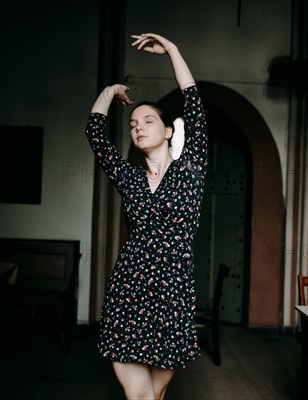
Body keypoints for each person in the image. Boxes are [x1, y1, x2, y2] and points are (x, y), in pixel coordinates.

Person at [86, 32, 207, 400]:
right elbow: (95, 133)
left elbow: (195, 104)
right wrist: (109, 94)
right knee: (140, 397)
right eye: (133, 123)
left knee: (154, 394)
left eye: (147, 120)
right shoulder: (131, 179)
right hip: (130, 289)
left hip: (173, 292)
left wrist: (172, 49)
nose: (137, 126)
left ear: (169, 130)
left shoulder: (192, 168)